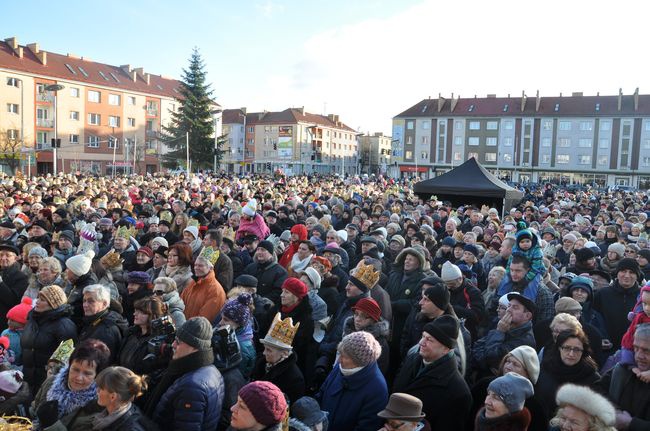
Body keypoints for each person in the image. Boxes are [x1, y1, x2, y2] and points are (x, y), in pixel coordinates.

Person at [393, 315, 472, 429]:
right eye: (423, 336)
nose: (421, 342)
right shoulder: (412, 359)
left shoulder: (458, 393)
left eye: (429, 340)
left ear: (446, 349)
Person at [145, 316, 224, 430]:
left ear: (195, 347)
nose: (173, 345)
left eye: (178, 342)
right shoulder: (212, 370)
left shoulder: (192, 386)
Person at [31, 339, 111, 431]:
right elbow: (34, 408)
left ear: (97, 375)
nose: (79, 378)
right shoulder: (51, 382)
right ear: (69, 366)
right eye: (75, 370)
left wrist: (52, 426)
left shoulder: (99, 404)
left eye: (87, 373)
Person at [316, 331, 388, 431]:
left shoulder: (378, 389)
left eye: (345, 357)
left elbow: (366, 427)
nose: (339, 360)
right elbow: (321, 394)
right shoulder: (340, 367)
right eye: (339, 353)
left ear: (359, 362)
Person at [21, 285, 77, 393]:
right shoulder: (32, 320)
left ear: (53, 304)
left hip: (48, 382)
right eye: (38, 298)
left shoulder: (64, 325)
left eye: (42, 300)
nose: (37, 301)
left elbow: (66, 356)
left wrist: (52, 375)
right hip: (28, 378)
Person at [595, 323, 650, 429]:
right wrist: (615, 411)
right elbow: (596, 390)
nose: (639, 356)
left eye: (646, 350)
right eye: (636, 348)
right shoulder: (623, 369)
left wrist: (630, 423)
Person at [536, 328, 600, 419]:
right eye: (566, 348)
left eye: (577, 350)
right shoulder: (544, 369)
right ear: (559, 348)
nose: (571, 354)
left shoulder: (593, 378)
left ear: (583, 352)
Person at [472, 293, 536, 378]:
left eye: (515, 307)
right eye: (509, 306)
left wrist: (499, 332)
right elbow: (477, 345)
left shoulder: (525, 340)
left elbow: (491, 358)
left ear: (527, 316)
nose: (508, 310)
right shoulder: (505, 324)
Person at [252, 313, 305, 404]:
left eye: (269, 350)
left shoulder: (295, 379)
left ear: (284, 353)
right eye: (264, 348)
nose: (264, 353)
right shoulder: (261, 362)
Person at [593, 257, 642, 350]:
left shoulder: (643, 296)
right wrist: (600, 337)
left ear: (637, 275)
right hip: (607, 347)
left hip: (633, 349)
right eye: (623, 271)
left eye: (631, 272)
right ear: (617, 273)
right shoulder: (602, 294)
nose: (627, 275)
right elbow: (594, 319)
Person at [118, 295, 169, 375]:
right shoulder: (131, 333)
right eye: (136, 310)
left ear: (153, 316)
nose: (135, 314)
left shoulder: (159, 342)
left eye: (141, 312)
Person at [79, 285, 129, 363]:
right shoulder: (94, 319)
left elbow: (101, 362)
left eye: (91, 301)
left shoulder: (106, 331)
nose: (85, 305)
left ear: (104, 304)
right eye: (84, 300)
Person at [93, 366, 153, 430]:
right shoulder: (115, 411)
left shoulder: (130, 428)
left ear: (113, 397)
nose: (97, 391)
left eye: (100, 389)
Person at [440, 260, 486, 341]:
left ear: (460, 279)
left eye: (452, 284)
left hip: (468, 333)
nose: (449, 287)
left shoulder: (473, 292)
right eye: (446, 284)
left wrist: (454, 309)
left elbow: (479, 316)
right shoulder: (445, 289)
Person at [181, 250, 226, 323]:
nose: (196, 268)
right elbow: (180, 302)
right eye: (195, 265)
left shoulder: (216, 291)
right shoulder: (193, 282)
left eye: (200, 266)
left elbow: (204, 319)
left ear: (211, 268)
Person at [218, 293, 256, 378]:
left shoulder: (241, 347)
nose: (220, 323)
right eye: (222, 318)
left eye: (226, 320)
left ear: (239, 323)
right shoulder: (232, 334)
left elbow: (235, 379)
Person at [549, 383, 617, 431]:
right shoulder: (555, 429)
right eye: (563, 418)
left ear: (593, 426)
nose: (564, 426)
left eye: (574, 422)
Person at [244, 240, 288, 306]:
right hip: (245, 302)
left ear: (270, 254)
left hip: (264, 307)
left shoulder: (280, 272)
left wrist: (259, 301)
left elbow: (277, 293)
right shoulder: (250, 267)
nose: (259, 252)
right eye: (258, 249)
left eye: (263, 250)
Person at [0, 243, 29, 332]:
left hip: (5, 323)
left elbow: (13, 301)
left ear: (15, 258)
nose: (3, 258)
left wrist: (0, 283)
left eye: (8, 255)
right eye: (1, 255)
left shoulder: (21, 277)